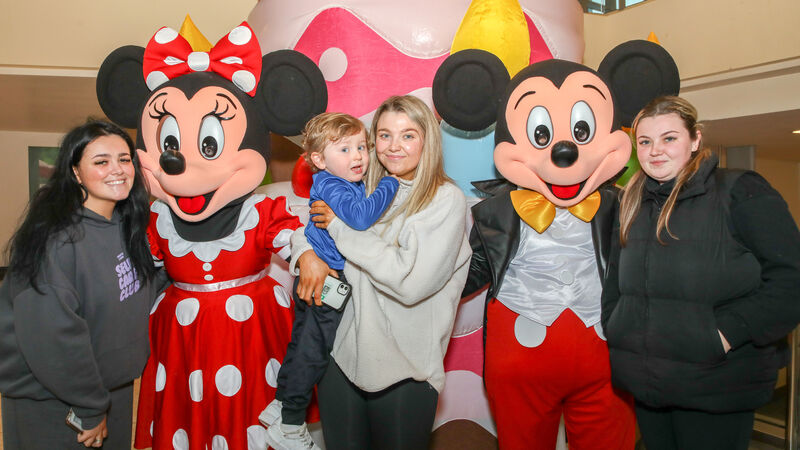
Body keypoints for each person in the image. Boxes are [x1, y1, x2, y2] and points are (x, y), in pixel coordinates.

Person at [602, 95, 800, 450]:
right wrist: (617, 325)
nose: (655, 151)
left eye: (669, 138)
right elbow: (616, 281)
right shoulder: (630, 203)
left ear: (695, 140)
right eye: (645, 142)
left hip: (716, 384)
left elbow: (791, 279)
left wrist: (723, 333)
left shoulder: (740, 191)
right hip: (649, 384)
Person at [290, 95, 471, 450]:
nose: (394, 147)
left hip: (405, 366)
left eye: (407, 135)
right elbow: (309, 225)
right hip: (341, 355)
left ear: (427, 140)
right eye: (384, 136)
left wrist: (340, 230)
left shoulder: (444, 200)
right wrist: (306, 253)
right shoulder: (364, 186)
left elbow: (410, 282)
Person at [0, 120, 164, 449]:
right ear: (75, 172)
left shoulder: (125, 225)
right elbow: (53, 336)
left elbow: (139, 291)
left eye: (124, 158)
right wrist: (88, 407)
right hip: (55, 399)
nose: (117, 170)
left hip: (108, 390)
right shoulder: (56, 239)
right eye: (101, 162)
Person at [262, 112, 399, 450]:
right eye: (345, 149)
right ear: (319, 160)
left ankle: (280, 407)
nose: (357, 156)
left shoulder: (338, 183)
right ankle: (290, 424)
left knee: (303, 346)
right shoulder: (334, 186)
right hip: (325, 283)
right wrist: (390, 183)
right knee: (313, 352)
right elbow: (361, 217)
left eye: (361, 147)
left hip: (323, 280)